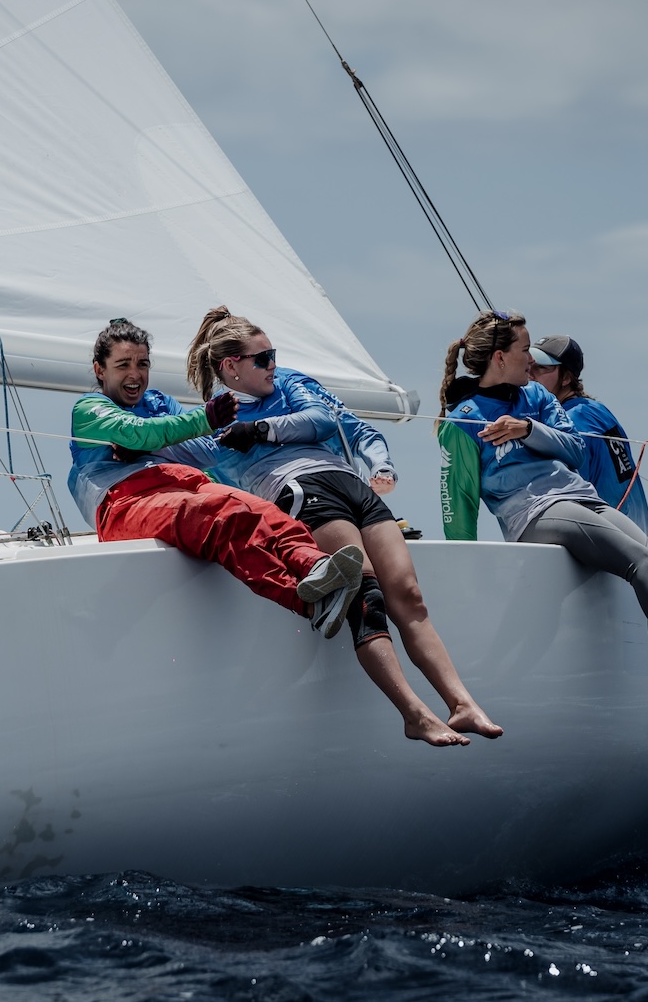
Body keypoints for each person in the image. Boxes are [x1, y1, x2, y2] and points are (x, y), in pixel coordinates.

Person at [175, 307, 501, 747]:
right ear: (230, 367)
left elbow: (324, 420)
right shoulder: (217, 424)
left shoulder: (288, 383)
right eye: (262, 359)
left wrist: (260, 429)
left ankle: (462, 703)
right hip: (301, 493)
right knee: (366, 597)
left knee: (408, 593)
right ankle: (414, 713)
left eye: (273, 353)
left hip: (350, 486)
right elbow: (173, 452)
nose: (273, 364)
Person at [440, 309, 648, 709]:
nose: (531, 359)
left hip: (578, 497)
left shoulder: (537, 397)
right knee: (639, 564)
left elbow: (576, 449)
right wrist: (466, 570)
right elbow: (460, 501)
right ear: (499, 357)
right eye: (526, 350)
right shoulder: (462, 421)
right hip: (533, 513)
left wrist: (527, 429)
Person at [69, 318, 367, 636]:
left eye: (142, 364)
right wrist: (203, 418)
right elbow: (139, 432)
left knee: (266, 512)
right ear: (100, 370)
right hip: (124, 501)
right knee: (222, 517)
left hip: (183, 483)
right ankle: (307, 603)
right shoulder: (89, 409)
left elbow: (207, 451)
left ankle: (316, 566)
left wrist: (161, 443)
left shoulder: (159, 403)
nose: (135, 374)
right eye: (123, 365)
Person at [529, 334, 648, 536]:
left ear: (566, 378)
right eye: (530, 365)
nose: (530, 374)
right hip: (639, 537)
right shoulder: (596, 409)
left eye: (542, 368)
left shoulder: (569, 423)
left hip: (613, 545)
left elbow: (568, 498)